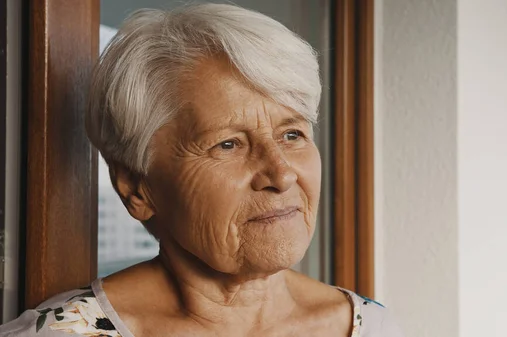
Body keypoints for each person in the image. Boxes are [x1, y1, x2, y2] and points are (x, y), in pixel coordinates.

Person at [0, 4, 402, 336]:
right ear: (137, 189)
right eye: (228, 144)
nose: (281, 175)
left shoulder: (371, 328)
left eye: (292, 134)